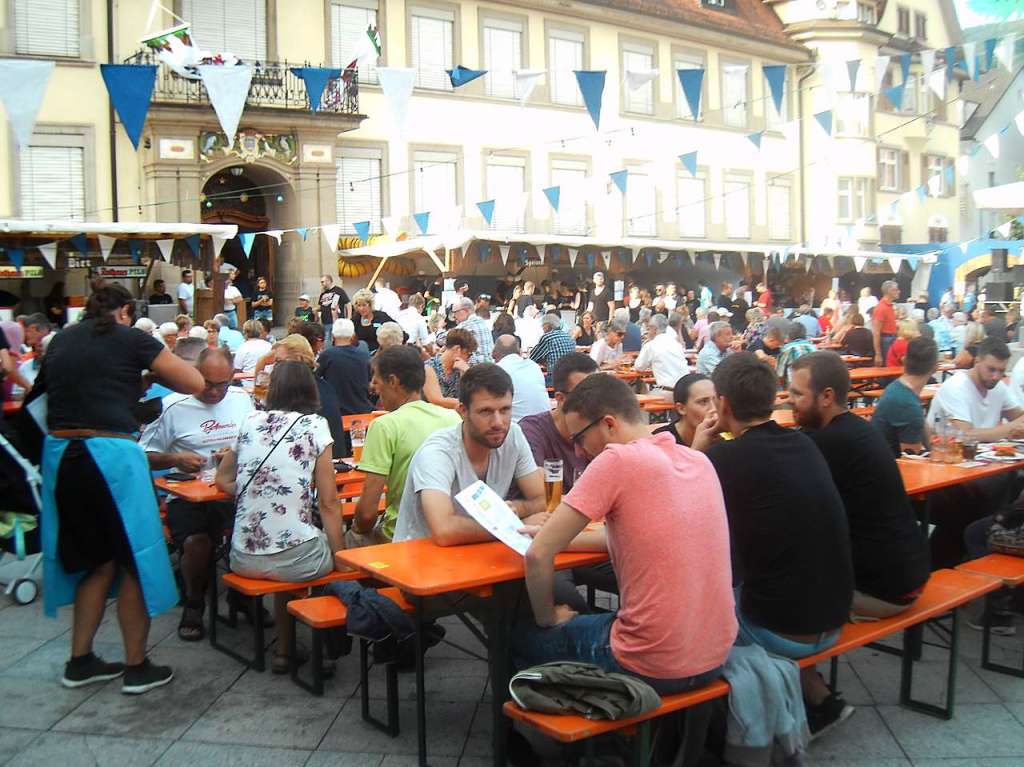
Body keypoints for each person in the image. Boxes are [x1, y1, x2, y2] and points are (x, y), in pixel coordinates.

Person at [515, 373, 736, 694]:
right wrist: (553, 535)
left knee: (522, 637)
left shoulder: (617, 459)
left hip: (655, 662)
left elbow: (537, 557)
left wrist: (549, 617)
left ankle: (552, 738)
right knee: (598, 619)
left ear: (608, 424)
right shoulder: (695, 459)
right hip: (716, 653)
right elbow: (625, 537)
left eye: (578, 438)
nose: (577, 452)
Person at [38, 284, 204, 693]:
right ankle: (136, 664)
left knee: (97, 562)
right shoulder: (130, 338)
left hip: (62, 454)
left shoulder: (61, 339)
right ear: (126, 311)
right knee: (133, 560)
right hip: (111, 455)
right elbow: (193, 381)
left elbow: (38, 396)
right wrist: (145, 374)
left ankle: (79, 661)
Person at [701, 353, 855, 735]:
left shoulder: (723, 457)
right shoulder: (805, 444)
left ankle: (717, 729)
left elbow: (677, 511)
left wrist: (700, 443)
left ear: (722, 404)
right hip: (834, 616)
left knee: (700, 602)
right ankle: (820, 700)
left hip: (781, 633)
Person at [216, 361, 344, 673]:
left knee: (289, 548)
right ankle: (325, 648)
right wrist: (341, 555)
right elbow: (328, 502)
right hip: (296, 559)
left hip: (243, 556)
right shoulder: (314, 425)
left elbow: (221, 479)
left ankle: (284, 652)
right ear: (310, 389)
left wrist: (256, 488)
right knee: (323, 552)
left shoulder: (250, 420)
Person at [788, 352, 930, 619]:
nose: (789, 400)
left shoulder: (830, 442)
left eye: (797, 394)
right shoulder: (856, 428)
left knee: (761, 590)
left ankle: (782, 658)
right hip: (909, 576)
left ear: (827, 397)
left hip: (883, 590)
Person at [139, 346, 254, 641]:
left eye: (222, 384)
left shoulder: (243, 401)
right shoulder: (174, 407)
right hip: (189, 496)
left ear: (232, 378)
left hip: (233, 492)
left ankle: (243, 596)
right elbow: (143, 454)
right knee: (197, 541)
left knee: (261, 528)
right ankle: (194, 601)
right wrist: (176, 459)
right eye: (207, 383)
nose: (214, 392)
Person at [393, 363, 547, 545]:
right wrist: (514, 525)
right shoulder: (437, 452)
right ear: (462, 411)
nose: (498, 422)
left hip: (481, 554)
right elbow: (444, 531)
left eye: (505, 410)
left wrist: (515, 510)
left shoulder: (512, 434)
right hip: (419, 561)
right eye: (486, 411)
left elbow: (541, 499)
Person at [348, 346, 462, 546]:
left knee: (346, 542)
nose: (375, 388)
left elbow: (366, 513)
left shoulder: (385, 426)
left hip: (401, 535)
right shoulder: (453, 418)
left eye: (378, 381)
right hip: (449, 529)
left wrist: (355, 529)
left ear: (393, 381)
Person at [926, 337, 1024, 568]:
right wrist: (1007, 430)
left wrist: (1007, 429)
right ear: (977, 360)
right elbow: (965, 434)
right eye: (991, 369)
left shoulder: (998, 388)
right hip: (946, 469)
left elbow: (1019, 417)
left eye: (1001, 371)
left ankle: (971, 555)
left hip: (984, 468)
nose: (996, 376)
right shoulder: (956, 386)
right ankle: (956, 561)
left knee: (1006, 487)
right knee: (989, 500)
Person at [519, 353, 597, 496]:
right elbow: (539, 495)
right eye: (585, 396)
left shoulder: (601, 427)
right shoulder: (531, 431)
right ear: (560, 399)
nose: (595, 403)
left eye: (598, 394)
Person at [872, 337, 939, 456]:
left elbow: (928, 440)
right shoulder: (907, 404)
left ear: (905, 360)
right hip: (890, 470)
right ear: (935, 367)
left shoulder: (898, 388)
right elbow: (912, 461)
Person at [317, 318, 373, 418]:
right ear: (352, 335)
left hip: (336, 410)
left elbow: (315, 377)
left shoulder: (327, 355)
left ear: (333, 336)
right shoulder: (364, 355)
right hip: (361, 409)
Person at [652, 372, 719, 450]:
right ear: (681, 408)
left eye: (716, 400)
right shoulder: (661, 441)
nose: (714, 408)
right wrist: (697, 449)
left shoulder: (724, 436)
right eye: (703, 402)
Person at [493, 334, 550, 422]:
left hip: (518, 429)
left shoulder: (497, 370)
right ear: (520, 352)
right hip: (545, 425)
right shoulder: (534, 366)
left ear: (494, 354)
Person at [423, 328, 476, 409]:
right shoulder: (429, 367)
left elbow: (471, 395)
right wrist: (469, 404)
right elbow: (436, 400)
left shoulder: (460, 369)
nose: (469, 359)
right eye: (468, 354)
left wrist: (466, 373)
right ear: (457, 349)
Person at [634, 313, 689, 391]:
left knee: (640, 395)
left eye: (649, 329)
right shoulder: (675, 343)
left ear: (655, 329)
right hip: (686, 390)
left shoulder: (651, 345)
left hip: (668, 391)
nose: (647, 332)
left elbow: (639, 367)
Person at [452, 296, 494, 364]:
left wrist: (438, 329)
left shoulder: (467, 325)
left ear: (465, 311)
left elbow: (443, 339)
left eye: (455, 312)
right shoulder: (481, 321)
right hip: (490, 366)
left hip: (477, 368)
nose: (453, 316)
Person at [351, 288, 395, 353]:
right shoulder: (356, 319)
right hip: (361, 354)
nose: (361, 308)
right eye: (359, 305)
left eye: (364, 305)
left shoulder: (381, 316)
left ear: (370, 305)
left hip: (380, 354)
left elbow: (397, 330)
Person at [872, 280, 899, 365]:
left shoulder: (890, 306)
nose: (898, 291)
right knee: (888, 365)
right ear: (889, 291)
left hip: (892, 338)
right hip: (886, 340)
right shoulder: (881, 308)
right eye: (896, 290)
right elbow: (876, 333)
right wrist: (878, 354)